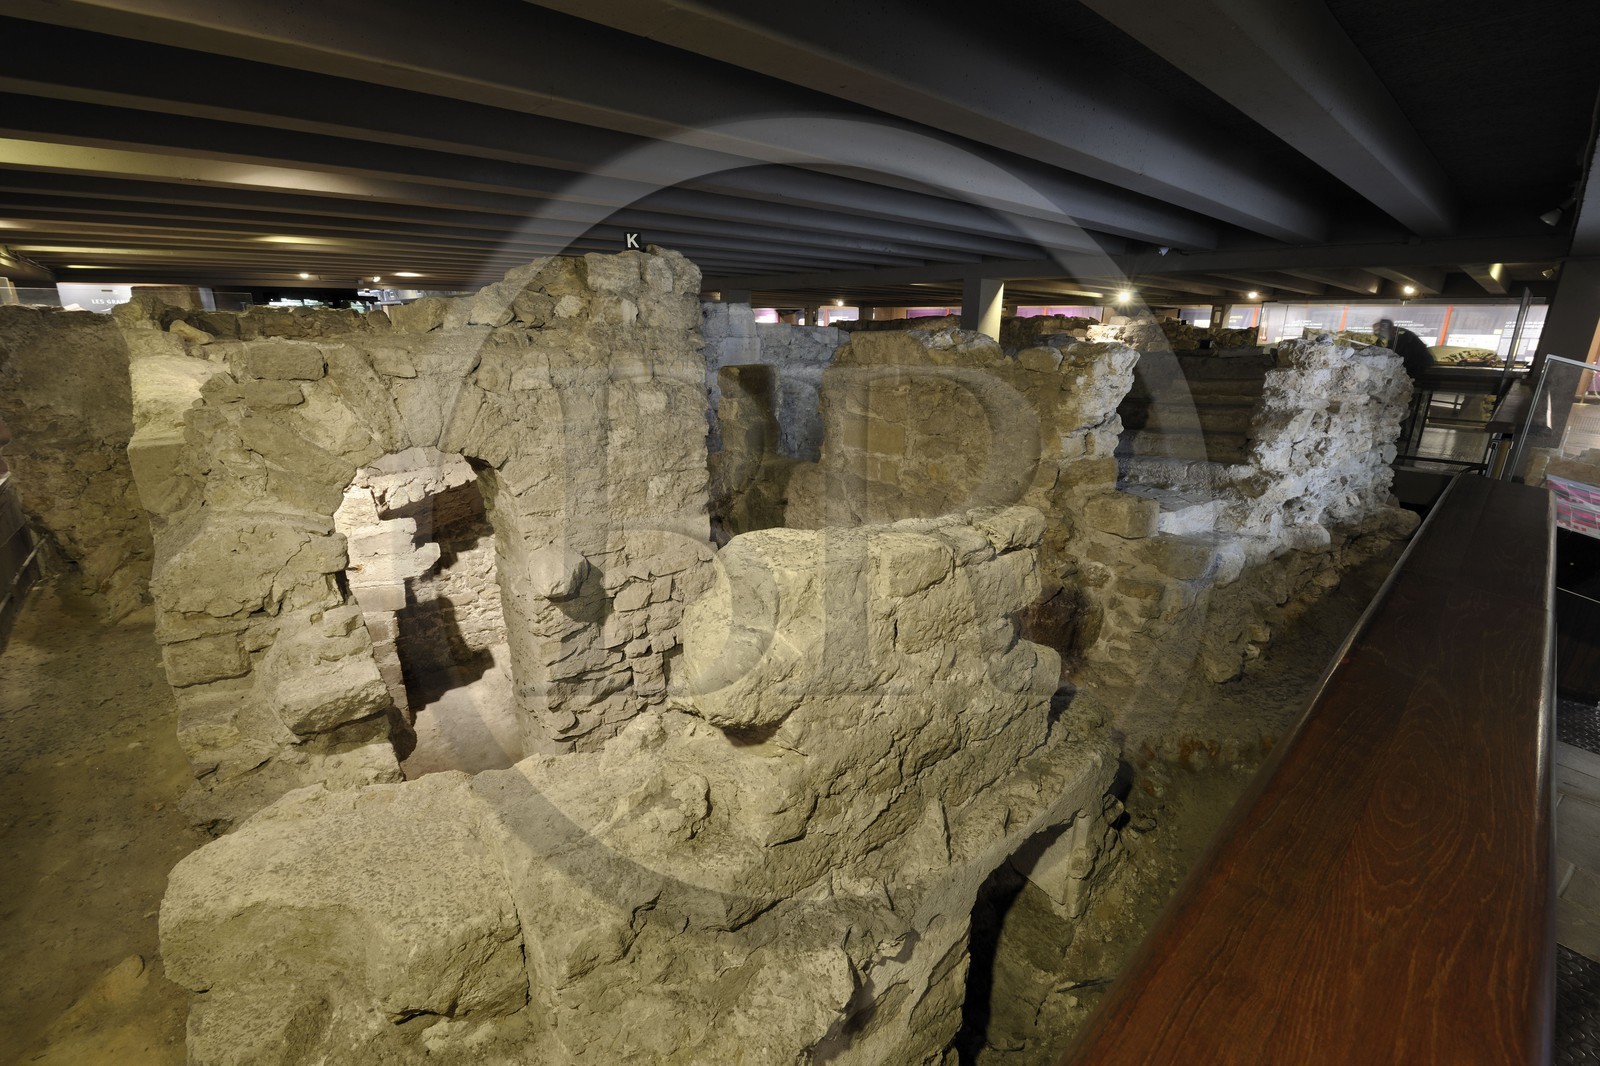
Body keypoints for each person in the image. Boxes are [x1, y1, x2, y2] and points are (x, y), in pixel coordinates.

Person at [1372, 318, 1433, 383]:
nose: (1381, 334)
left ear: (1392, 329)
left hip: (1409, 378)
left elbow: (1426, 361)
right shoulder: (1384, 342)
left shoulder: (1407, 340)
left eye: (1383, 330)